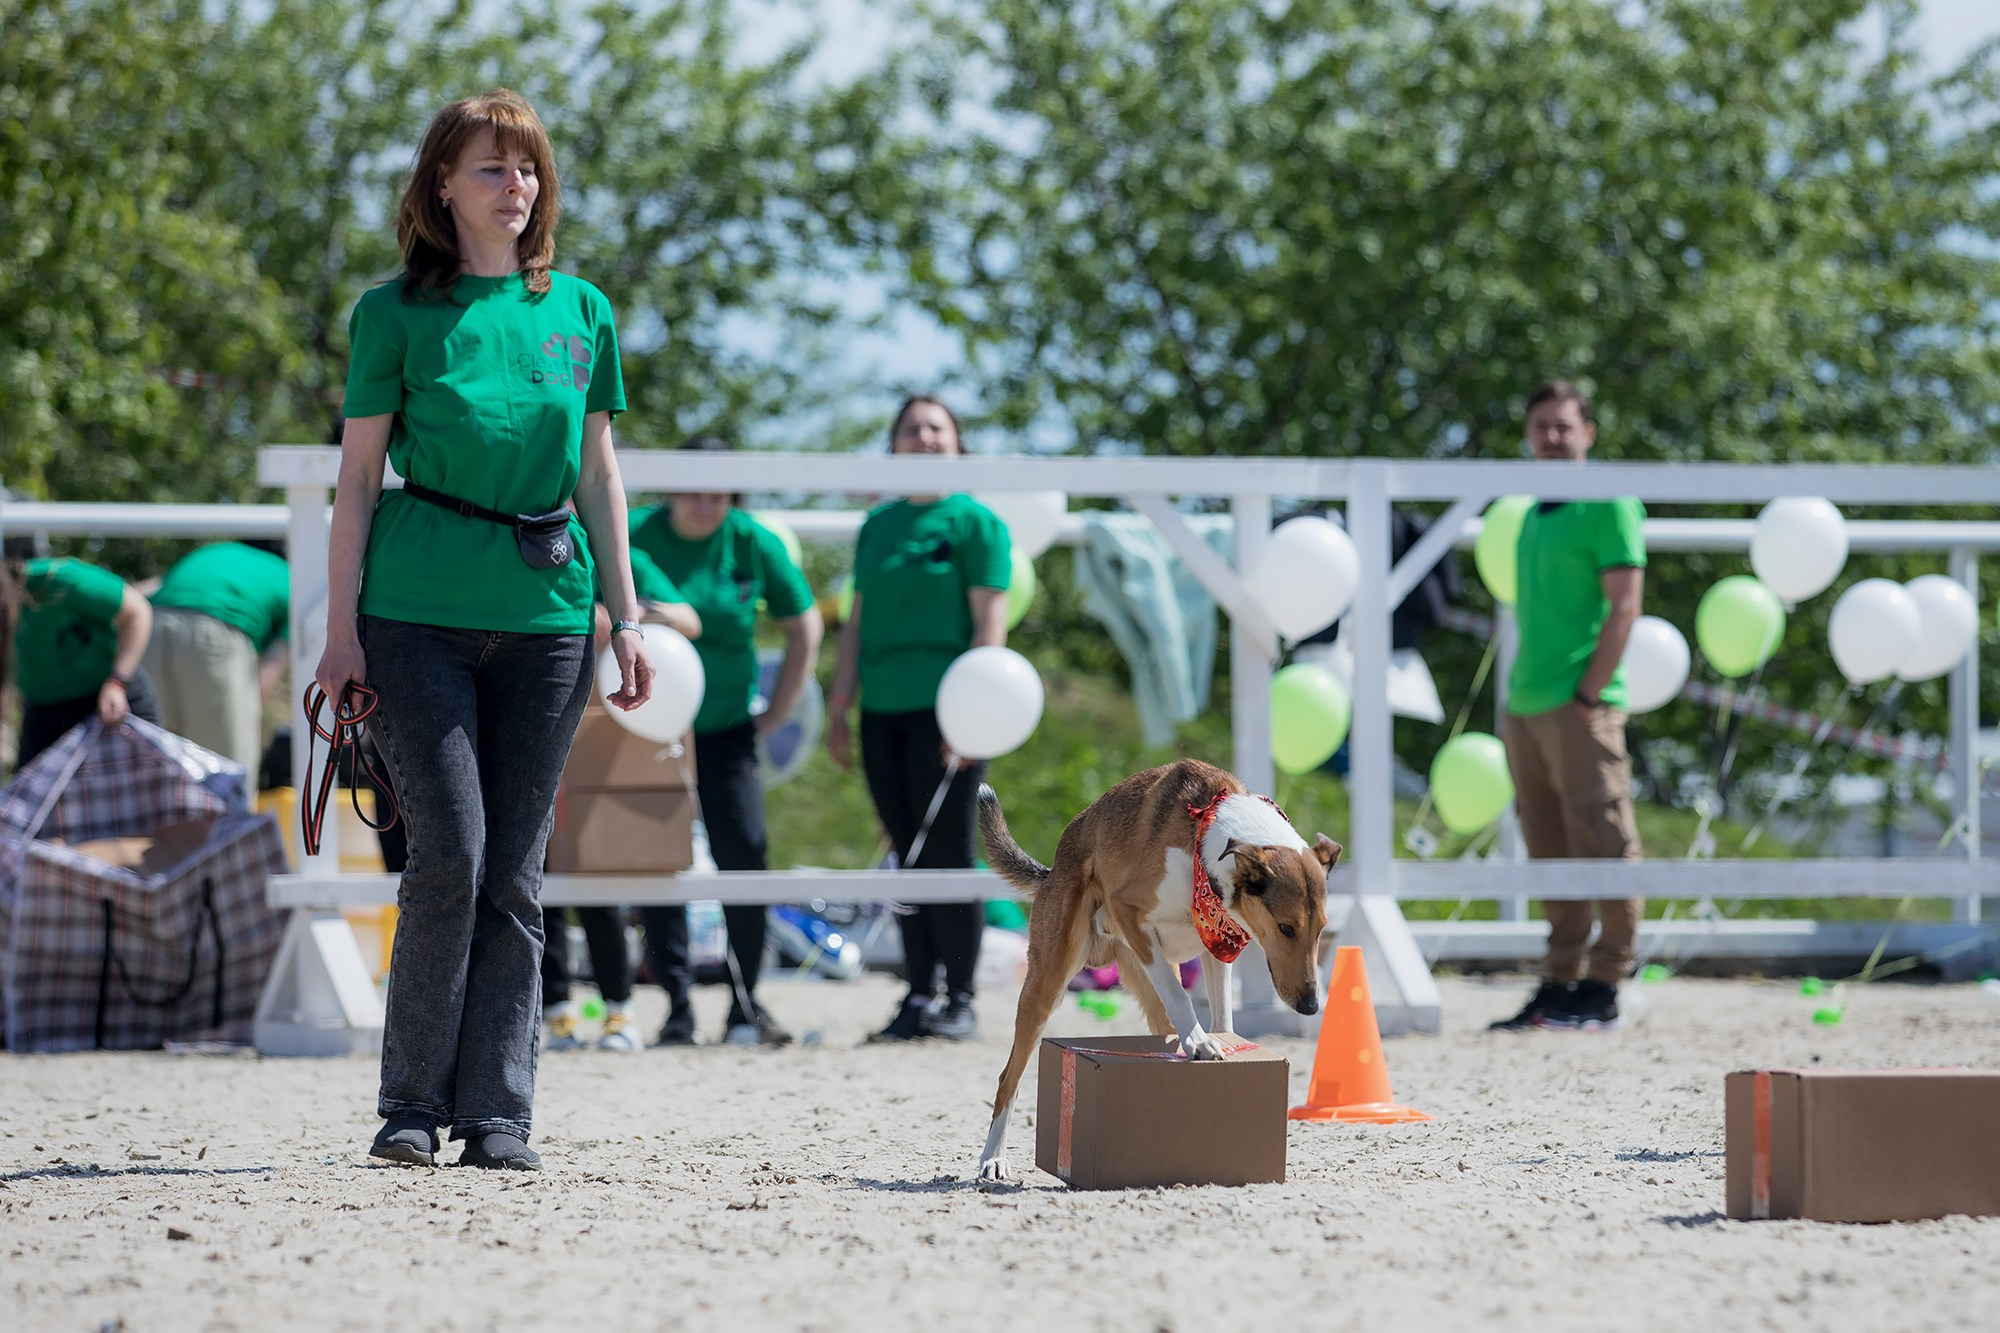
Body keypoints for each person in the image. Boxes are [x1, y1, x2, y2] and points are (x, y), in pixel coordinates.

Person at [316, 89, 653, 1171]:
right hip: (413, 614)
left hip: (550, 615)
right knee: (449, 853)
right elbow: (358, 479)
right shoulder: (391, 314)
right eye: (492, 169)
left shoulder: (583, 312)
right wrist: (339, 631)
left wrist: (627, 615)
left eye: (528, 170)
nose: (517, 188)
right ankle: (410, 1101)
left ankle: (499, 1111)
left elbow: (597, 470)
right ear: (441, 187)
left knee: (515, 865)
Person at [826, 396, 1011, 1042]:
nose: (923, 437)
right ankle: (918, 991)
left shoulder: (976, 523)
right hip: (883, 707)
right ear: (894, 444)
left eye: (936, 427)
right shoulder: (877, 525)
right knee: (905, 853)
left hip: (951, 711)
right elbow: (856, 622)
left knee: (949, 852)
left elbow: (990, 623)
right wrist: (839, 707)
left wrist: (975, 717)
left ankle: (959, 995)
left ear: (957, 443)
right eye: (911, 428)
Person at [630, 436, 825, 1047]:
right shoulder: (634, 529)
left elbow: (805, 625)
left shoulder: (751, 538)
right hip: (649, 723)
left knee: (746, 852)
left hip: (729, 727)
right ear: (671, 486)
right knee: (656, 859)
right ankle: (676, 1004)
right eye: (692, 487)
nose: (705, 502)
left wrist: (780, 708)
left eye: (719, 491)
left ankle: (746, 1002)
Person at [1490, 381, 1645, 1032]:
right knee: (1549, 848)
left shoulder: (1609, 501)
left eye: (1563, 426)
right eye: (1541, 426)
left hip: (1581, 704)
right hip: (1525, 705)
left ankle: (1607, 980)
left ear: (1589, 433)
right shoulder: (1531, 513)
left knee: (1605, 841)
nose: (1552, 437)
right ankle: (1561, 980)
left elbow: (1625, 605)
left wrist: (1588, 694)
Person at [541, 549, 700, 1053]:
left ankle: (618, 1008)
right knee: (532, 880)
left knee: (597, 879)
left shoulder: (616, 551)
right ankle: (556, 1011)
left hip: (599, 727)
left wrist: (627, 616)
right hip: (533, 721)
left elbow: (688, 619)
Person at [144, 541, 289, 775]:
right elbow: (270, 670)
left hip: (151, 629)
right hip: (214, 635)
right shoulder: (288, 576)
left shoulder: (210, 552)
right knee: (228, 770)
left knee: (157, 767)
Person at [5, 556, 160, 771]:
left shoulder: (59, 579)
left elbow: (138, 612)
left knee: (150, 783)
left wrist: (118, 681)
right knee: (25, 799)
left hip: (111, 694)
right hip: (44, 708)